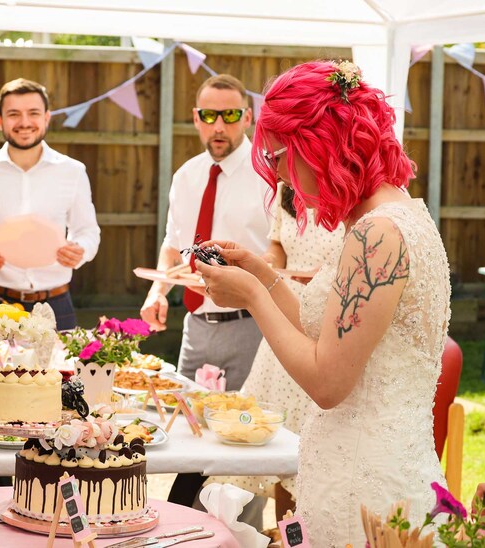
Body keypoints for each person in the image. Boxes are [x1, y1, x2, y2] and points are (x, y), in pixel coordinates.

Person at [194, 60, 452, 546]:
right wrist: (263, 274)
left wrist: (250, 296)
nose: (281, 178)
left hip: (365, 484)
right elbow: (328, 331)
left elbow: (329, 382)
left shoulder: (378, 234)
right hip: (369, 466)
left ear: (318, 144)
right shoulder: (398, 215)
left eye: (277, 158)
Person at [139, 74, 271, 520]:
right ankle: (188, 528)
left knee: (245, 448)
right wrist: (159, 289)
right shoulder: (186, 175)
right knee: (189, 439)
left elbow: (280, 251)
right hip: (196, 328)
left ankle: (241, 536)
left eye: (230, 115)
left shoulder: (267, 176)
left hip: (253, 327)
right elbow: (174, 245)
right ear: (196, 119)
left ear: (247, 117)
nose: (220, 126)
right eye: (209, 115)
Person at [210, 182, 344, 521]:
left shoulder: (351, 196)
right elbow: (278, 248)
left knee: (313, 445)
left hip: (330, 316)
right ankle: (286, 535)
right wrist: (264, 264)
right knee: (282, 445)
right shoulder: (287, 189)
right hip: (284, 313)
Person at [0, 78, 100, 331]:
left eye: (34, 113)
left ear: (47, 117)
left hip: (56, 306)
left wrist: (80, 250)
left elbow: (88, 232)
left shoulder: (73, 171)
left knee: (60, 373)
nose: (25, 123)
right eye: (14, 114)